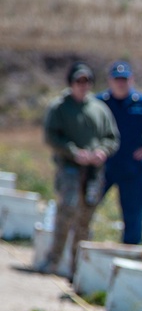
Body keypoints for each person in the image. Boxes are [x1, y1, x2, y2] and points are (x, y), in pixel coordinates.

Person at [40, 62, 119, 275]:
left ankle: (77, 268)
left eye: (87, 81)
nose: (83, 85)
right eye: (79, 81)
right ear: (71, 82)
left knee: (85, 217)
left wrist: (102, 152)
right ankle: (53, 260)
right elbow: (51, 136)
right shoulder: (59, 107)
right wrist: (73, 152)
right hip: (69, 169)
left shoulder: (99, 109)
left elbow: (112, 138)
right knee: (66, 212)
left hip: (94, 172)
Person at [97, 60, 142, 245]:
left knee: (133, 216)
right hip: (103, 166)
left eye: (124, 79)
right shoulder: (99, 102)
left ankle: (129, 257)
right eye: (117, 79)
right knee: (86, 207)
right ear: (109, 80)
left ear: (131, 80)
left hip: (132, 167)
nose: (121, 83)